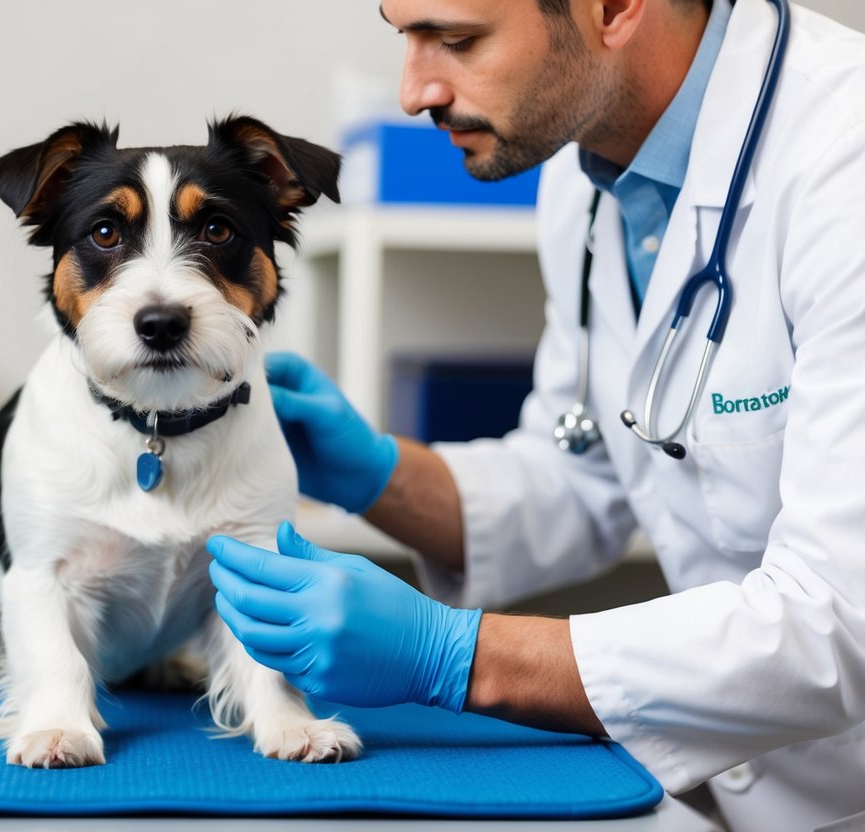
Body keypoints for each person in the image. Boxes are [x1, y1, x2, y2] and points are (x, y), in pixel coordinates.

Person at [205, 0, 865, 829]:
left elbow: (842, 619)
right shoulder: (581, 182)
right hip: (725, 786)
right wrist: (374, 472)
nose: (412, 92)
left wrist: (455, 656)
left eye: (455, 40)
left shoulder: (845, 157)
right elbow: (584, 474)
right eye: (403, 38)